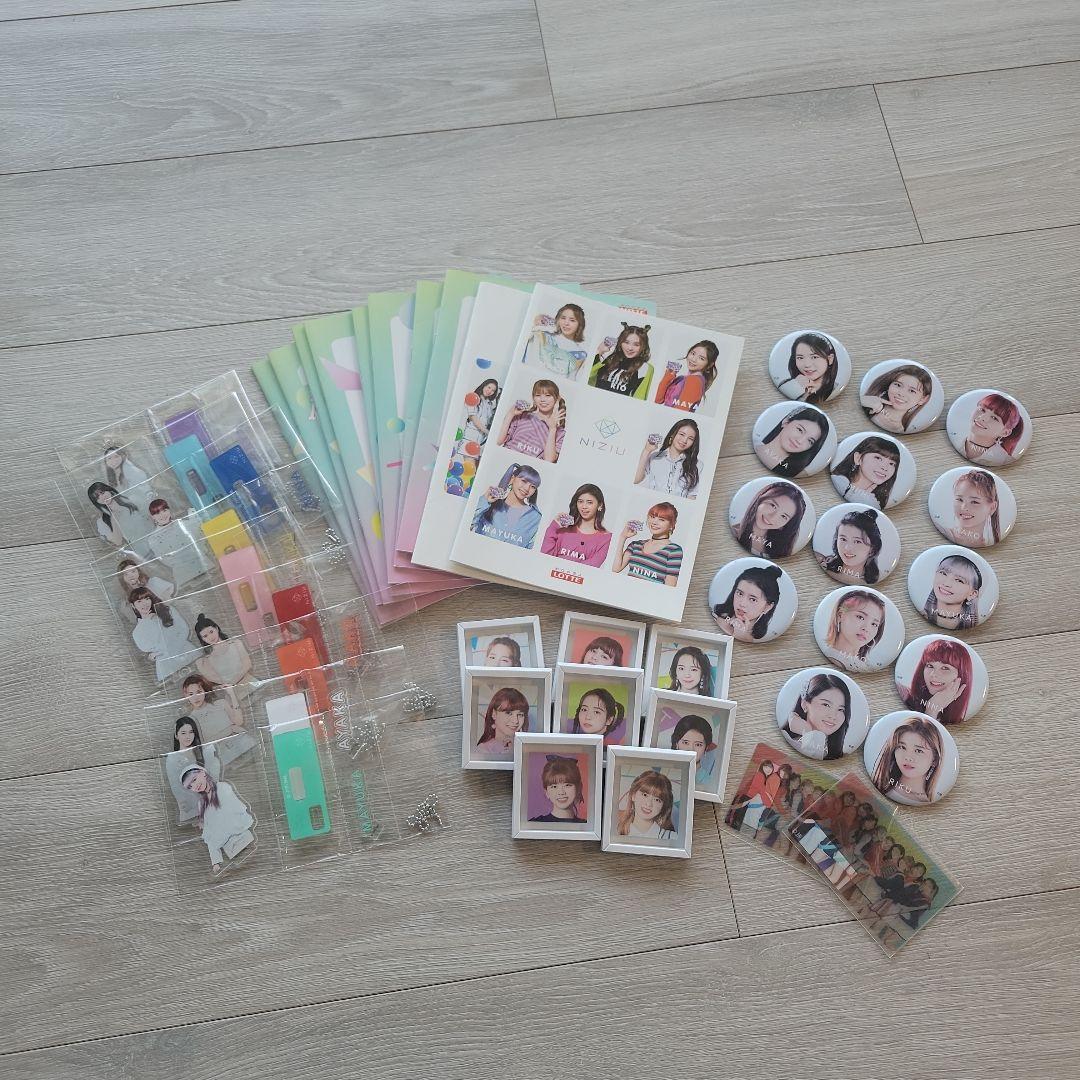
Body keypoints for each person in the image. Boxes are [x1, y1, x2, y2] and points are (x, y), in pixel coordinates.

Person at [180, 765, 257, 875]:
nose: (195, 786)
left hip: (244, 839)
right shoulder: (201, 804)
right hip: (230, 851)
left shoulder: (222, 787)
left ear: (203, 773)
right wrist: (215, 861)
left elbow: (236, 811)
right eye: (190, 786)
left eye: (194, 779)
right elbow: (209, 832)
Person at [181, 674, 254, 766]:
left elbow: (239, 721)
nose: (195, 697)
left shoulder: (221, 704)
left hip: (243, 745)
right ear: (186, 696)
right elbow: (201, 745)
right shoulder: (191, 720)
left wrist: (232, 694)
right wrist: (230, 729)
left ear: (205, 691)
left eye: (199, 692)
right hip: (222, 757)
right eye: (191, 694)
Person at [870, 715, 946, 804]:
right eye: (902, 747)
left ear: (935, 760)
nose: (908, 757)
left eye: (919, 751)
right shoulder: (878, 784)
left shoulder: (924, 803)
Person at [897, 637, 972, 725]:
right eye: (930, 666)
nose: (933, 674)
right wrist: (931, 710)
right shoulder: (904, 693)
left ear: (961, 675)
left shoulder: (963, 716)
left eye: (945, 668)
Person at [780, 671, 852, 760]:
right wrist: (809, 733)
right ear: (804, 705)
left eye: (841, 709)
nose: (833, 716)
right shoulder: (785, 743)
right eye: (826, 705)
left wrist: (808, 733)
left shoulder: (842, 757)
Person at [129, 586, 194, 682]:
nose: (144, 603)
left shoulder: (168, 610)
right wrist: (148, 621)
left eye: (147, 599)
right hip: (167, 665)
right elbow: (152, 647)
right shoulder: (137, 632)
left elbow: (184, 630)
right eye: (139, 601)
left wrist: (170, 648)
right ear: (133, 606)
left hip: (186, 652)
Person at [470, 464, 543, 549]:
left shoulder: (536, 518)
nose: (527, 488)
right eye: (524, 481)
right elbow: (468, 526)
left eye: (533, 486)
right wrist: (485, 500)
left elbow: (530, 549)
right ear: (512, 479)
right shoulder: (488, 505)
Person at [165, 716, 222, 824]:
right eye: (183, 733)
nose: (188, 737)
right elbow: (176, 788)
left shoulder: (204, 751)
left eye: (191, 732)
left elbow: (214, 775)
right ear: (176, 735)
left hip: (213, 802)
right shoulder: (172, 759)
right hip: (193, 810)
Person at [540, 483, 612, 567]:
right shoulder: (563, 529)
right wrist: (553, 527)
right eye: (580, 501)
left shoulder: (606, 539)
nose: (584, 506)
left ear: (600, 505)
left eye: (589, 502)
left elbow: (589, 568)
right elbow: (545, 558)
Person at [496, 379, 566, 463]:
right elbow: (499, 441)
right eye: (538, 395)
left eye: (548, 395)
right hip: (504, 460)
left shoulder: (561, 433)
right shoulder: (522, 416)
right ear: (533, 398)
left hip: (528, 469)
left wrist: (552, 429)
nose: (542, 399)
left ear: (556, 399)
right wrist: (510, 414)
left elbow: (549, 460)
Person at [731, 481, 807, 558]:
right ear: (760, 500)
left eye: (784, 516)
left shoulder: (783, 550)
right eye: (773, 505)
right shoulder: (733, 534)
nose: (772, 517)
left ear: (787, 524)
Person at [613, 503, 683, 587]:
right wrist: (622, 537)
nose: (654, 522)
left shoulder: (674, 550)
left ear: (671, 524)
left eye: (662, 519)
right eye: (652, 517)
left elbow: (669, 588)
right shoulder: (635, 545)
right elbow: (616, 569)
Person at [712, 564, 782, 642]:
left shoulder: (758, 642)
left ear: (767, 607)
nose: (742, 604)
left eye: (753, 599)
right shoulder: (716, 619)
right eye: (740, 594)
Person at [146, 498, 206, 588]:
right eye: (157, 513)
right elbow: (165, 560)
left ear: (169, 510)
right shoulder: (153, 538)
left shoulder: (184, 523)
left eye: (164, 510)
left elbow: (200, 541)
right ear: (152, 517)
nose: (162, 515)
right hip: (185, 577)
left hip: (204, 566)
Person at [634, 420, 701, 500]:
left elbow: (692, 495)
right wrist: (647, 451)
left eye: (690, 438)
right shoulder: (654, 457)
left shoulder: (697, 465)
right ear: (673, 434)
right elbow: (636, 480)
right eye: (682, 434)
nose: (684, 440)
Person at [194, 614, 257, 699]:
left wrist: (231, 683)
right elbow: (214, 679)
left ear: (216, 628)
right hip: (234, 695)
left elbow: (247, 665)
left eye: (211, 632)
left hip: (252, 686)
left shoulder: (236, 643)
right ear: (202, 639)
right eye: (205, 636)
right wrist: (230, 685)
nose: (210, 637)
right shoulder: (206, 660)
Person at [830, 436, 901, 510]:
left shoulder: (874, 503)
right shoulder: (838, 481)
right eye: (878, 458)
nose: (885, 468)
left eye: (891, 464)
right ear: (858, 458)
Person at [755, 406, 829, 477]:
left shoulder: (800, 473)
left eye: (810, 441)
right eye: (800, 430)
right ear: (786, 422)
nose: (800, 441)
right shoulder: (755, 445)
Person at [816, 507, 884, 584]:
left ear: (872, 549)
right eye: (843, 539)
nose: (847, 548)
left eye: (857, 541)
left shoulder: (875, 580)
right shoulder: (821, 561)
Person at [823, 589, 886, 670]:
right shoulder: (831, 658)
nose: (866, 628)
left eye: (874, 624)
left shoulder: (866, 667)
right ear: (840, 615)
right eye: (860, 617)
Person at [87, 481, 154, 556]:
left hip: (155, 536)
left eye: (102, 493)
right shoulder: (102, 522)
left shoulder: (132, 500)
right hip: (142, 549)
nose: (102, 497)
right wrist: (114, 520)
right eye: (97, 497)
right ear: (96, 502)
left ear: (108, 489)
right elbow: (118, 541)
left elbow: (150, 514)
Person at [522, 304, 589, 378]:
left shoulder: (580, 354)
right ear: (558, 319)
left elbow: (572, 378)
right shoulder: (542, 335)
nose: (566, 323)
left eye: (572, 320)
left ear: (579, 324)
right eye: (563, 318)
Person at [861, 364, 934, 432]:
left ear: (923, 399)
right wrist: (863, 400)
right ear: (889, 385)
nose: (901, 393)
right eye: (898, 385)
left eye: (912, 391)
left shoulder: (899, 430)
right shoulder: (866, 403)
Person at [589, 324, 654, 399]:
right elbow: (588, 379)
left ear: (643, 347)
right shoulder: (608, 359)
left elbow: (639, 398)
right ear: (620, 342)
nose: (630, 348)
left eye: (636, 345)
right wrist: (599, 351)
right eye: (626, 342)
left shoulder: (644, 368)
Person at [653, 340, 720, 412]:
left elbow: (680, 412)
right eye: (693, 353)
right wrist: (669, 375)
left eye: (701, 358)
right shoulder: (684, 379)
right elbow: (658, 400)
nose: (693, 359)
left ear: (709, 365)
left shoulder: (694, 381)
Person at [921, 553, 982, 630]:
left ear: (972, 594)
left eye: (959, 580)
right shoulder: (922, 615)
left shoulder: (971, 626)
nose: (946, 583)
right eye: (943, 573)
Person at [962, 392, 1026, 465]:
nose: (983, 418)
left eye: (994, 418)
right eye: (982, 410)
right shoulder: (956, 441)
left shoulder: (1005, 461)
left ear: (1005, 432)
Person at [775, 332, 839, 404]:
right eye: (800, 358)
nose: (807, 365)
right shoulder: (788, 385)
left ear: (830, 359)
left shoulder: (835, 389)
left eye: (814, 357)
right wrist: (795, 386)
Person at [615, 769, 676, 841]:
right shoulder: (615, 831)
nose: (649, 804)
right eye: (645, 795)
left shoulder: (672, 837)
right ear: (633, 795)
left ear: (663, 806)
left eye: (657, 800)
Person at [945, 469, 1001, 547]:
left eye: (974, 502)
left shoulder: (988, 545)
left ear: (992, 508)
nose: (964, 507)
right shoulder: (945, 532)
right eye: (960, 499)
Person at [474, 686, 530, 760]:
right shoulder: (482, 750)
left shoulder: (528, 748)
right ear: (494, 714)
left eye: (520, 715)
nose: (515, 721)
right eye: (508, 713)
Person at [529, 755, 587, 824]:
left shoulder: (585, 825)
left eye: (567, 785)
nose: (561, 792)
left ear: (579, 788)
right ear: (546, 792)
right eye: (554, 786)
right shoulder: (534, 823)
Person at [117, 558, 175, 624]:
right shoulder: (126, 602)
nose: (131, 576)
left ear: (138, 571)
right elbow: (135, 621)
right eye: (126, 574)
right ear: (122, 578)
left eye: (133, 571)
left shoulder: (154, 582)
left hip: (169, 617)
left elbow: (170, 600)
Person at [667, 713, 717, 788]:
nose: (691, 749)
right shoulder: (665, 772)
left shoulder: (708, 783)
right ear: (676, 743)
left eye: (698, 744)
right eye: (686, 742)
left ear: (706, 748)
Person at [461, 379, 500, 447]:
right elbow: (473, 418)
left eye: (493, 390)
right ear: (484, 385)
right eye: (489, 387)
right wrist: (487, 432)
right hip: (470, 435)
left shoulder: (489, 404)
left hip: (480, 438)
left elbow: (489, 420)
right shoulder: (473, 397)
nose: (490, 391)